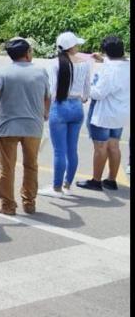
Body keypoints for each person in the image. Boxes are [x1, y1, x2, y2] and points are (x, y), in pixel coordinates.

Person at [0, 37, 50, 215]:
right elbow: (47, 96)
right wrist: (45, 114)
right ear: (27, 54)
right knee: (31, 165)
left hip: (8, 127)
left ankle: (8, 205)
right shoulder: (41, 71)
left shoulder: (2, 72)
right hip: (33, 127)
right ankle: (29, 202)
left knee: (6, 167)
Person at [38, 32, 92, 198]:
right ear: (72, 46)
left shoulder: (53, 64)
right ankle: (67, 185)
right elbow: (86, 91)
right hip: (77, 107)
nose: (78, 47)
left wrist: (45, 110)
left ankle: (56, 188)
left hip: (60, 107)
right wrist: (81, 97)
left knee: (59, 151)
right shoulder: (85, 64)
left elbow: (52, 91)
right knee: (72, 149)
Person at [77, 36, 130, 191]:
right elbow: (116, 65)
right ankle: (111, 180)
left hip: (104, 112)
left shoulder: (107, 70)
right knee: (114, 146)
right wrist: (103, 60)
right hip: (120, 112)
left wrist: (85, 88)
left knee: (100, 147)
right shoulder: (127, 65)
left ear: (106, 51)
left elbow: (99, 93)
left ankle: (96, 180)